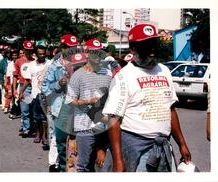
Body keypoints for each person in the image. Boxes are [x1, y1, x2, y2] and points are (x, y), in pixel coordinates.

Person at [102, 24, 191, 172]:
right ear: (133, 49)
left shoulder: (164, 71)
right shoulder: (123, 77)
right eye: (145, 45)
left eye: (154, 44)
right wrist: (118, 160)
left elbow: (171, 110)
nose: (152, 50)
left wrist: (182, 144)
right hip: (137, 148)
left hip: (163, 147)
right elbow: (113, 119)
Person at [65, 38, 112, 172]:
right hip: (84, 127)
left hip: (104, 126)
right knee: (84, 165)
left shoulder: (107, 74)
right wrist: (87, 101)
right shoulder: (78, 75)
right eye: (94, 52)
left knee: (104, 167)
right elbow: (69, 101)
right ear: (86, 53)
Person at [42, 34, 79, 172]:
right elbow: (45, 88)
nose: (72, 51)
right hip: (60, 108)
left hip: (78, 107)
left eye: (74, 48)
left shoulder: (81, 64)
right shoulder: (54, 66)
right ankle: (63, 168)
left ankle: (75, 169)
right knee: (61, 142)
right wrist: (58, 83)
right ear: (62, 48)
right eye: (69, 48)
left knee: (78, 142)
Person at [19, 43, 52, 145]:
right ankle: (38, 134)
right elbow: (27, 80)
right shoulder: (31, 65)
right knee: (36, 116)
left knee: (45, 117)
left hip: (46, 94)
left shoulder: (50, 63)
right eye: (40, 54)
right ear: (36, 54)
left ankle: (44, 136)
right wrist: (21, 92)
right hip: (34, 94)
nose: (42, 56)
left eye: (43, 54)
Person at [13, 40, 34, 138]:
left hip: (34, 87)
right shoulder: (18, 61)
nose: (29, 51)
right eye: (27, 50)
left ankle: (33, 128)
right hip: (23, 87)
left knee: (33, 109)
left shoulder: (35, 60)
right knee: (25, 110)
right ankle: (26, 129)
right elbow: (15, 76)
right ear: (24, 49)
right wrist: (14, 89)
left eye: (30, 50)